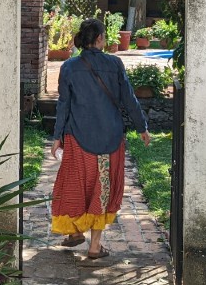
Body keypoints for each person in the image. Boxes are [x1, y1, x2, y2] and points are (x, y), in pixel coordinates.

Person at [50, 17, 150, 258]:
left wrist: (57, 137)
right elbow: (129, 99)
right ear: (99, 39)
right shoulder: (115, 64)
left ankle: (74, 232)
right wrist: (142, 127)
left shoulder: (69, 67)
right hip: (110, 137)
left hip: (77, 137)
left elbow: (64, 104)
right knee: (101, 188)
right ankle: (94, 246)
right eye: (104, 37)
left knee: (75, 185)